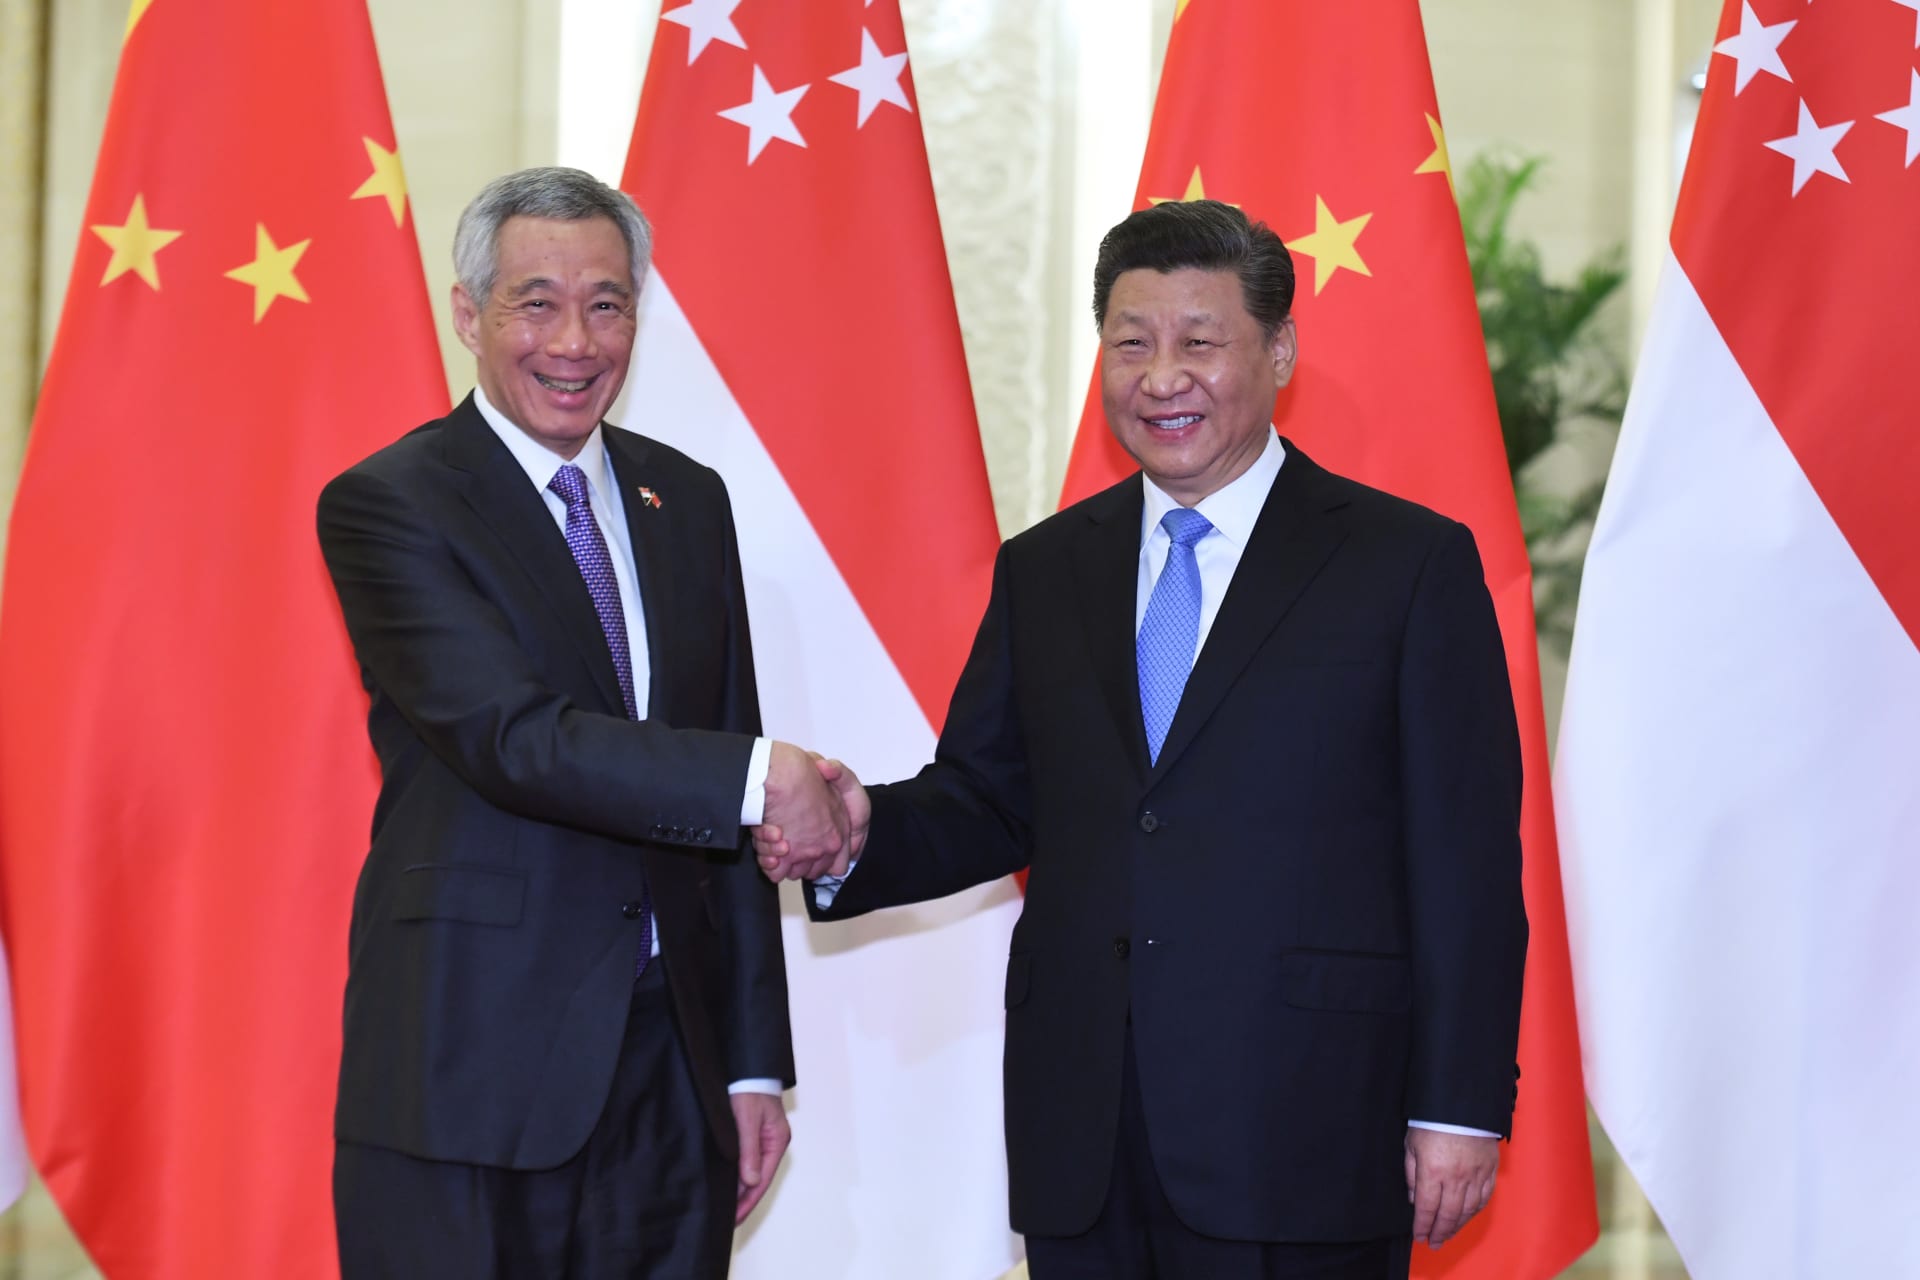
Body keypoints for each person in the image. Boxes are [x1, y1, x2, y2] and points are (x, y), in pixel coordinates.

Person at [756, 199, 1528, 1279]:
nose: (1162, 376)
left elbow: (1468, 860)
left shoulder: (1405, 566)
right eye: (1132, 343)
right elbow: (990, 795)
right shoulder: (1048, 567)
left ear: (1280, 350)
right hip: (1088, 1131)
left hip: (1305, 1123)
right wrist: (856, 830)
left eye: (1200, 342)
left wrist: (1458, 1102)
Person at [317, 166, 848, 1278]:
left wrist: (752, 1064)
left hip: (674, 1065)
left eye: (606, 303)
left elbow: (722, 751)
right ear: (469, 315)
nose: (575, 339)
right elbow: (514, 736)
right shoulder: (391, 502)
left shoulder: (686, 496)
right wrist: (764, 777)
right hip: (470, 1071)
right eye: (536, 302)